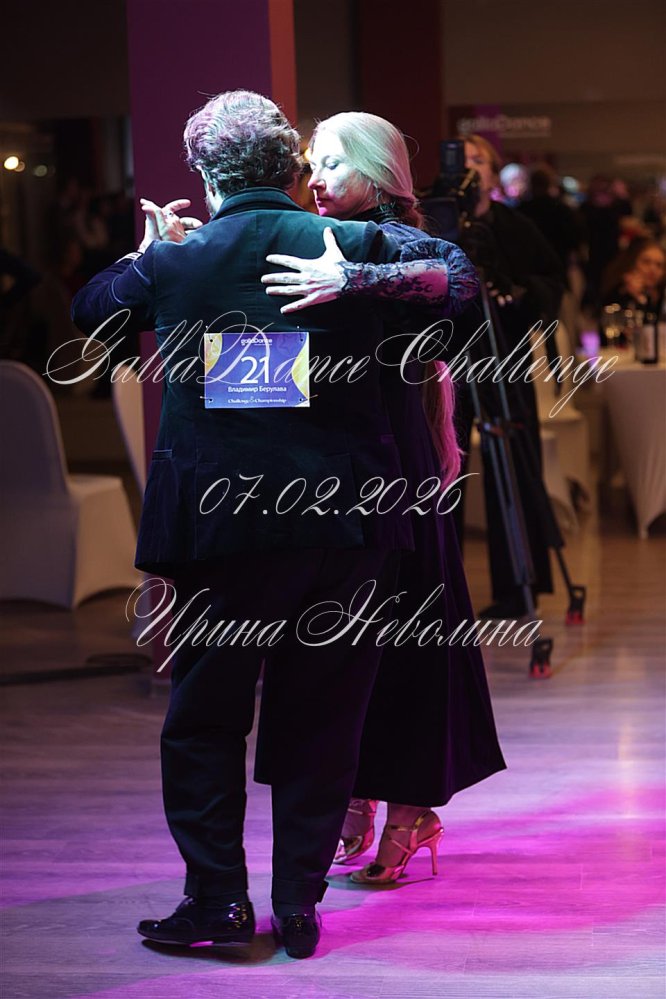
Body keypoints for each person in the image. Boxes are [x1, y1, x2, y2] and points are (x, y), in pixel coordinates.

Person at [71, 90, 457, 959]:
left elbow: (89, 310)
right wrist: (360, 278)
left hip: (226, 532)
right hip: (346, 525)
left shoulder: (177, 261)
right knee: (324, 715)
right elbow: (458, 281)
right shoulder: (346, 243)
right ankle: (300, 906)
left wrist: (147, 253)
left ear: (206, 176)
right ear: (289, 167)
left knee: (206, 719)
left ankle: (217, 900)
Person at [261, 111, 506, 884]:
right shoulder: (303, 235)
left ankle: (408, 805)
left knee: (409, 641)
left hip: (397, 471)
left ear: (377, 171)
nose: (317, 178)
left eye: (334, 163)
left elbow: (458, 282)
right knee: (334, 647)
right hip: (324, 477)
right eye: (313, 164)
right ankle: (357, 790)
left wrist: (352, 280)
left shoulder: (399, 242)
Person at [601, 237, 665, 313]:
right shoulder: (620, 292)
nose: (653, 269)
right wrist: (636, 297)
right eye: (646, 262)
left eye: (659, 265)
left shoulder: (661, 297)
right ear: (633, 263)